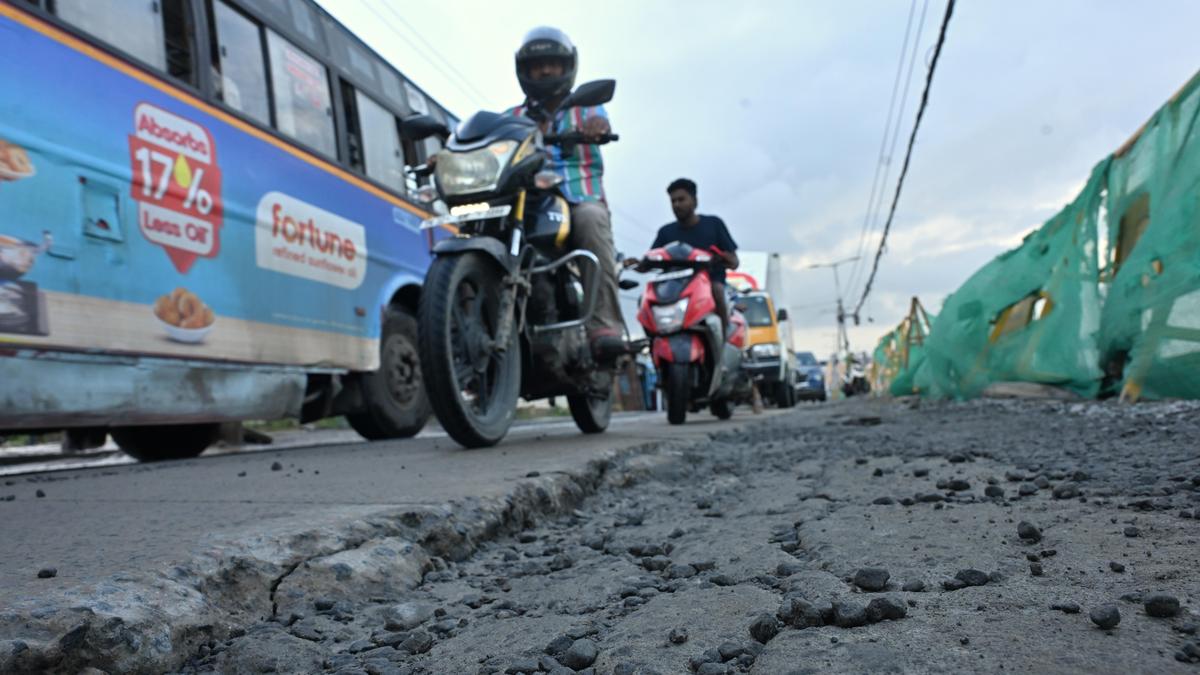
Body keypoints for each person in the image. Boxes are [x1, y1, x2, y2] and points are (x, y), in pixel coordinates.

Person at [507, 27, 625, 359]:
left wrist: (597, 129)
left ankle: (604, 326)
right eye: (537, 65)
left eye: (553, 64)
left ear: (567, 67)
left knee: (590, 219)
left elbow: (601, 123)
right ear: (524, 71)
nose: (545, 71)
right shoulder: (513, 117)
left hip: (576, 198)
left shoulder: (586, 108)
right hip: (527, 202)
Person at [628, 178, 740, 335]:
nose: (676, 205)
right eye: (673, 201)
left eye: (681, 199)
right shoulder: (666, 232)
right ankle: (653, 341)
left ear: (694, 201)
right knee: (644, 300)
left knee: (717, 290)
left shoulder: (714, 224)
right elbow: (649, 261)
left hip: (707, 285)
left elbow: (734, 261)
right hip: (673, 289)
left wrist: (723, 258)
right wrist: (636, 264)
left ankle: (723, 335)